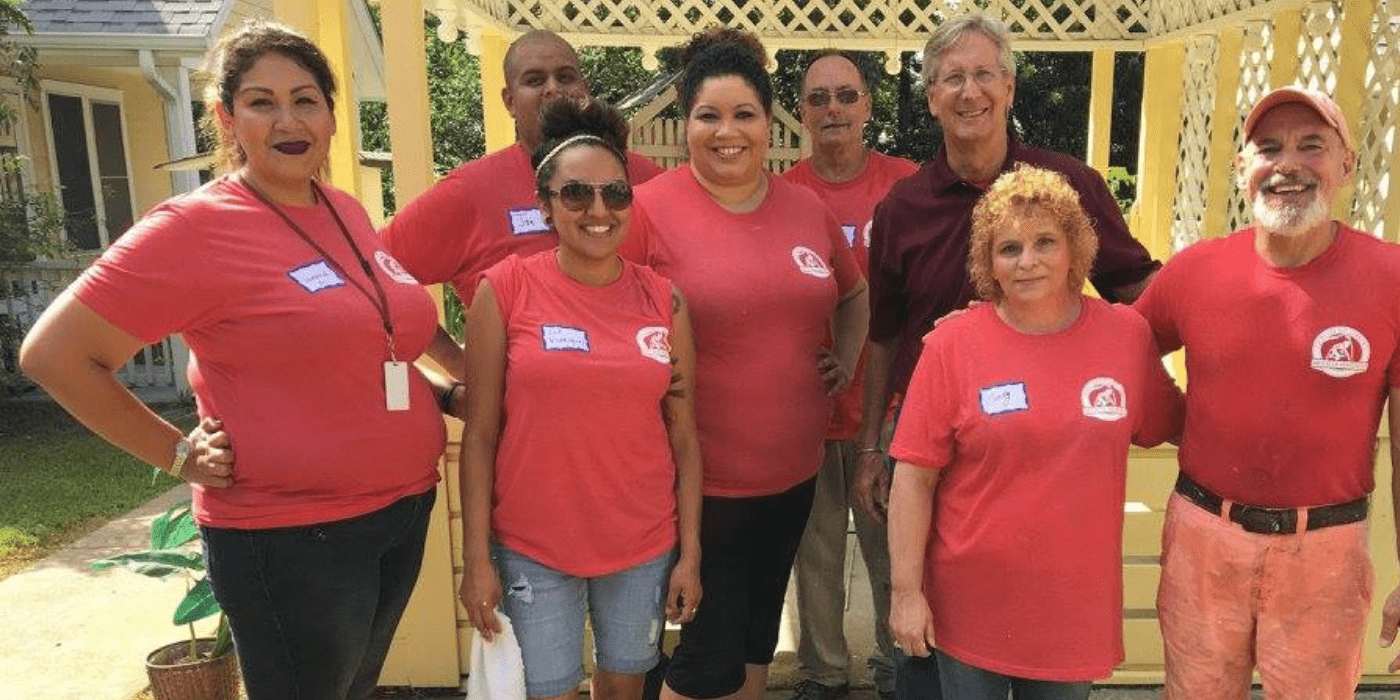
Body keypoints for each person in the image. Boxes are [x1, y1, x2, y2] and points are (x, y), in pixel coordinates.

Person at [19, 21, 452, 700]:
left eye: (306, 99)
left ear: (332, 115)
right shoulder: (195, 228)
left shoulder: (343, 210)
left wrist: (446, 395)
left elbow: (368, 342)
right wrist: (176, 453)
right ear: (227, 118)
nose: (288, 118)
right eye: (261, 101)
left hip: (399, 510)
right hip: (293, 536)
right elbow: (55, 355)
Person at [623, 27, 869, 700]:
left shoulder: (806, 208)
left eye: (744, 114)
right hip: (701, 488)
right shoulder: (647, 212)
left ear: (769, 123)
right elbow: (600, 314)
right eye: (709, 115)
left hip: (794, 477)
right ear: (685, 125)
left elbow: (853, 292)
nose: (727, 131)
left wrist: (844, 362)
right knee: (706, 659)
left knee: (755, 639)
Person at [1134, 86, 1400, 699]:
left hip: (1326, 551)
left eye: (1312, 147)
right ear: (1243, 169)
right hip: (1204, 536)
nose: (1288, 166)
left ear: (1346, 165)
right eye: (1268, 148)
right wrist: (1175, 418)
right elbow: (1117, 348)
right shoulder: (1195, 272)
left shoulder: (1389, 279)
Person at [886, 165, 1183, 700]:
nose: (1028, 261)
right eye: (1009, 248)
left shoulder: (1125, 337)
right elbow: (912, 478)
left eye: (1045, 242)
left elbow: (1182, 425)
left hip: (1071, 611)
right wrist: (906, 593)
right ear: (988, 263)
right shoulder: (952, 347)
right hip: (968, 605)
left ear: (1075, 249)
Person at [854, 12, 1160, 525]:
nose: (969, 91)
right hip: (932, 434)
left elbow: (1136, 291)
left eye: (983, 75)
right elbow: (884, 335)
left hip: (1041, 430)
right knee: (914, 590)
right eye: (952, 78)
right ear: (931, 98)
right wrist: (869, 447)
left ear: (1010, 88)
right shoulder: (901, 210)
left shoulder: (1068, 185)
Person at [455, 98, 702, 700]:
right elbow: (481, 434)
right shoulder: (506, 290)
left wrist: (690, 551)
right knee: (551, 692)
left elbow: (685, 438)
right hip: (534, 545)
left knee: (622, 687)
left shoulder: (663, 300)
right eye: (576, 195)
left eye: (616, 194)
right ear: (545, 206)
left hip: (641, 541)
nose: (599, 210)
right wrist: (476, 562)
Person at [382, 29, 665, 378]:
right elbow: (373, 275)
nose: (553, 88)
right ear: (509, 100)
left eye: (566, 76)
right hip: (524, 419)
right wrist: (462, 367)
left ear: (584, 88)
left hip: (637, 408)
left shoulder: (646, 180)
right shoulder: (470, 191)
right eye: (534, 80)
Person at [780, 50, 917, 700]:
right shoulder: (782, 194)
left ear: (867, 105)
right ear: (802, 113)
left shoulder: (909, 186)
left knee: (893, 555)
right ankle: (824, 674)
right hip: (810, 408)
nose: (832, 109)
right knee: (819, 557)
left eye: (845, 96)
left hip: (894, 413)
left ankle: (899, 670)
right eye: (818, 99)